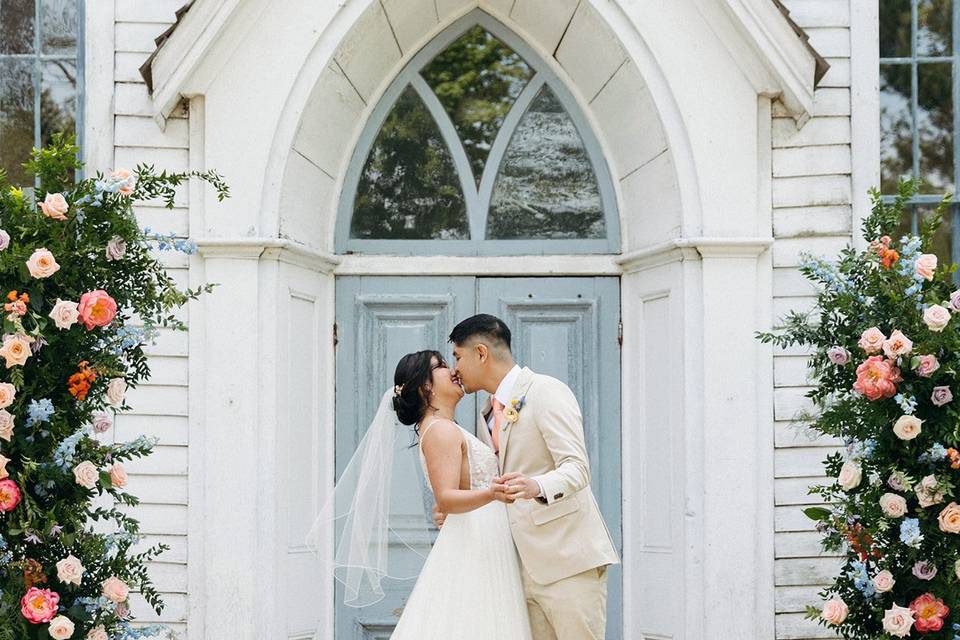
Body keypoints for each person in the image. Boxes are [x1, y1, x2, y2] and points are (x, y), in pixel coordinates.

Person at [441, 314, 620, 640]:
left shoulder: (546, 391)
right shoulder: (486, 411)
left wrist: (536, 485)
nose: (455, 369)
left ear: (481, 353)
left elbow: (577, 467)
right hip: (520, 570)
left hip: (568, 563)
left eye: (457, 356)